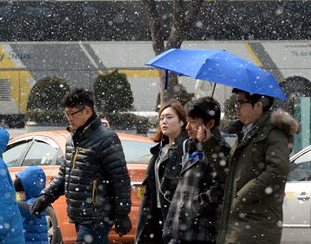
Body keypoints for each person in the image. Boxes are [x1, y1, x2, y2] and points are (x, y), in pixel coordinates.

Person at [31, 88, 132, 244]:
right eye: (66, 114)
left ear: (87, 111)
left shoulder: (106, 139)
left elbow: (120, 179)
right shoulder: (73, 138)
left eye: (72, 113)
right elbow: (65, 174)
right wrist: (45, 197)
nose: (68, 118)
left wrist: (122, 214)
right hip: (79, 215)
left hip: (96, 217)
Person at [216, 89, 298, 244]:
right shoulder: (246, 133)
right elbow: (228, 172)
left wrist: (241, 197)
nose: (236, 107)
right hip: (238, 222)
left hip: (256, 224)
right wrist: (209, 143)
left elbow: (277, 171)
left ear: (258, 106)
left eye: (241, 102)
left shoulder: (274, 133)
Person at [162, 97, 229, 244]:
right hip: (177, 231)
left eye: (192, 122)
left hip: (200, 232)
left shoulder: (220, 150)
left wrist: (190, 208)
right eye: (187, 121)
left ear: (210, 124)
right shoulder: (189, 145)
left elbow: (221, 187)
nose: (187, 127)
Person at [136, 99, 187, 244]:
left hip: (175, 215)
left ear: (182, 121)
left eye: (169, 117)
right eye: (161, 118)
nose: (164, 121)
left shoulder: (186, 148)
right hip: (154, 213)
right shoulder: (159, 150)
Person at [14, 166, 48, 244]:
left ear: (29, 188)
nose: (20, 194)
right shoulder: (26, 201)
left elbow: (29, 211)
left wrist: (13, 203)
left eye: (21, 192)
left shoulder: (37, 203)